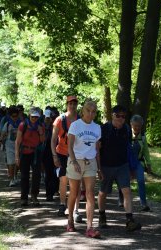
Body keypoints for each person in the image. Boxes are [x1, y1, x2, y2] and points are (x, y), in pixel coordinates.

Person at [97, 105, 142, 232]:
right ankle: (101, 215)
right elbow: (97, 150)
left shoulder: (127, 129)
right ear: (112, 115)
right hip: (106, 166)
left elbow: (128, 149)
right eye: (118, 115)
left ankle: (129, 220)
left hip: (122, 166)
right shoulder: (103, 129)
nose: (121, 118)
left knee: (127, 191)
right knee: (103, 192)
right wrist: (99, 168)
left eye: (123, 116)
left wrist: (131, 168)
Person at [66, 100, 102, 238]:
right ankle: (70, 220)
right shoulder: (75, 125)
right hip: (76, 161)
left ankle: (90, 227)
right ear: (83, 111)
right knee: (74, 193)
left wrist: (99, 168)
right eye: (88, 110)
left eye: (93, 111)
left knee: (90, 193)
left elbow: (97, 149)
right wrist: (74, 161)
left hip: (90, 162)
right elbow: (69, 146)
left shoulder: (97, 128)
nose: (90, 114)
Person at [51, 96, 82, 221]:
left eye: (74, 104)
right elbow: (53, 140)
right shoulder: (59, 120)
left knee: (77, 182)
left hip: (77, 154)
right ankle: (62, 204)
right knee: (63, 179)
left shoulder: (81, 120)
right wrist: (54, 156)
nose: (72, 106)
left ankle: (76, 210)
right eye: (70, 103)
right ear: (66, 104)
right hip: (62, 154)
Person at [118, 114, 152, 211]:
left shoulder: (143, 137)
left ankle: (143, 204)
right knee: (125, 182)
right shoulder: (126, 135)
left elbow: (146, 151)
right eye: (135, 125)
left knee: (141, 181)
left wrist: (148, 164)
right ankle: (121, 199)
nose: (137, 128)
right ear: (131, 124)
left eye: (139, 126)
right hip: (126, 163)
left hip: (138, 163)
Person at [15, 107, 45, 206]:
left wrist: (40, 132)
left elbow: (42, 140)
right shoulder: (23, 125)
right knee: (24, 176)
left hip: (36, 153)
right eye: (33, 117)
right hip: (24, 152)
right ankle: (24, 198)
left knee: (36, 175)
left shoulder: (40, 126)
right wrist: (17, 156)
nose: (34, 119)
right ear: (29, 116)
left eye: (36, 117)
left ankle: (34, 196)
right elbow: (18, 141)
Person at [0, 106, 21, 187]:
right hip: (9, 145)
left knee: (18, 164)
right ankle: (11, 180)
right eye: (13, 116)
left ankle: (15, 176)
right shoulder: (8, 124)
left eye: (16, 116)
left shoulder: (21, 123)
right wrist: (1, 139)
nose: (15, 118)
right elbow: (2, 134)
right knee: (11, 163)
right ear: (10, 116)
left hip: (19, 145)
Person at [41, 109, 57, 201]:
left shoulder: (55, 126)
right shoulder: (42, 126)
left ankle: (53, 190)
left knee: (54, 174)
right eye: (47, 117)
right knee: (48, 173)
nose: (48, 119)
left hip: (55, 152)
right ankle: (49, 193)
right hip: (46, 152)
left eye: (50, 117)